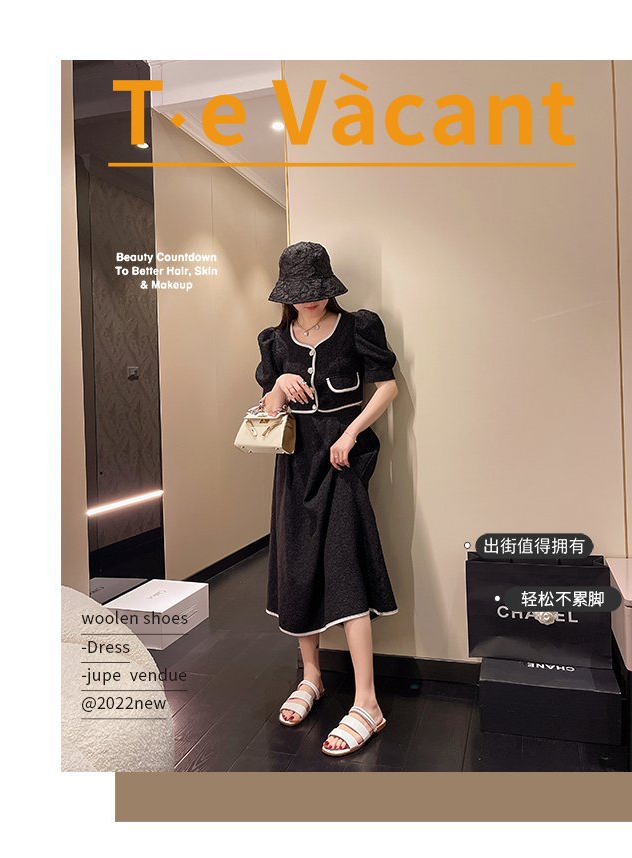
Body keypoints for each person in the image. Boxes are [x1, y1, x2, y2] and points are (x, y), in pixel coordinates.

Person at [254, 241, 399, 757]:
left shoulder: (359, 326)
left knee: (345, 567)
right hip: (295, 464)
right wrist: (279, 385)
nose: (309, 300)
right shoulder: (274, 341)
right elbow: (267, 408)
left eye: (316, 290)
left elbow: (387, 388)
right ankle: (311, 676)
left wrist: (351, 433)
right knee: (297, 567)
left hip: (341, 461)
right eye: (299, 293)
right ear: (285, 295)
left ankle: (368, 702)